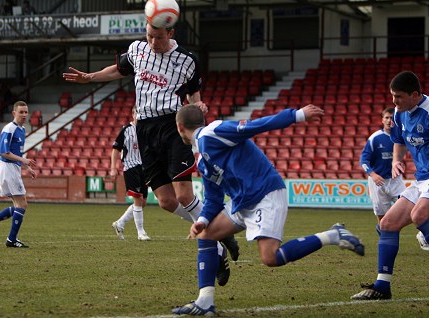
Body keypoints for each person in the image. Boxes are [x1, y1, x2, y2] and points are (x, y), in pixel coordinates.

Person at [62, 20, 238, 282]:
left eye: (158, 37)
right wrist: (90, 77)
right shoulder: (137, 50)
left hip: (173, 126)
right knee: (167, 202)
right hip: (144, 129)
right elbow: (118, 70)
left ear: (170, 33)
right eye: (149, 36)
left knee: (184, 194)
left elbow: (194, 97)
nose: (153, 42)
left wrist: (199, 108)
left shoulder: (187, 60)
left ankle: (216, 241)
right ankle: (222, 232)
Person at [172, 104, 365, 316]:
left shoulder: (213, 132)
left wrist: (297, 115)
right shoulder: (201, 159)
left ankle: (333, 235)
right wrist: (203, 221)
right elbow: (214, 200)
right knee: (207, 235)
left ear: (180, 126)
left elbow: (254, 126)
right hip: (242, 201)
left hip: (265, 193)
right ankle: (205, 302)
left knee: (270, 258)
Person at [351, 71, 429, 301]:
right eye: (392, 96)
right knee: (387, 224)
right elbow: (398, 140)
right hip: (422, 179)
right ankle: (382, 287)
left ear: (415, 95)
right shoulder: (399, 113)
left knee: (419, 214)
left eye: (399, 96)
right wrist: (397, 160)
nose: (394, 101)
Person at [0, 101, 37, 248]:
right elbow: (4, 152)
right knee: (22, 204)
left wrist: (25, 166)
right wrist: (24, 160)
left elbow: (16, 153)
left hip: (13, 168)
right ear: (14, 113)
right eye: (21, 112)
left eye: (26, 112)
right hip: (8, 168)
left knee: (18, 205)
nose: (24, 115)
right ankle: (11, 240)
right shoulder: (9, 128)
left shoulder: (21, 129)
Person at [360, 107, 407, 225]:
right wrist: (373, 174)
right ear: (382, 120)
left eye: (391, 118)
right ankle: (384, 237)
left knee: (409, 207)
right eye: (386, 118)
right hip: (377, 181)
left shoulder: (402, 137)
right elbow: (364, 159)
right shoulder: (375, 138)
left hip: (395, 180)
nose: (389, 120)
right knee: (382, 216)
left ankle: (423, 234)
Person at [110, 106, 150, 241]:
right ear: (132, 114)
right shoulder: (126, 130)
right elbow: (116, 149)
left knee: (143, 202)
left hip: (144, 168)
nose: (138, 115)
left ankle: (120, 223)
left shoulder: (147, 130)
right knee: (138, 199)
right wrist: (113, 168)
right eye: (136, 112)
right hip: (131, 167)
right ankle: (141, 232)